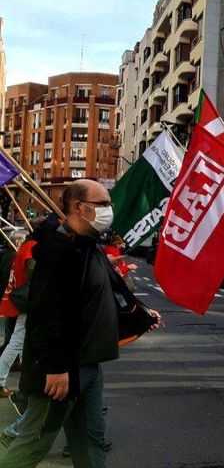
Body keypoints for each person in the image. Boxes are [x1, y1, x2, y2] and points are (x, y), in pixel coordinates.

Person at [0, 179, 161, 468]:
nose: (109, 210)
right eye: (102, 204)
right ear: (78, 206)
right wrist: (56, 367)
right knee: (31, 446)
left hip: (89, 366)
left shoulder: (89, 246)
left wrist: (140, 317)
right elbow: (47, 315)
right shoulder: (59, 251)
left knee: (90, 443)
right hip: (62, 372)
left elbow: (106, 293)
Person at [0, 229, 32, 398]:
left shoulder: (20, 251)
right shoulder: (27, 251)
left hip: (18, 301)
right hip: (25, 302)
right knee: (16, 342)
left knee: (18, 342)